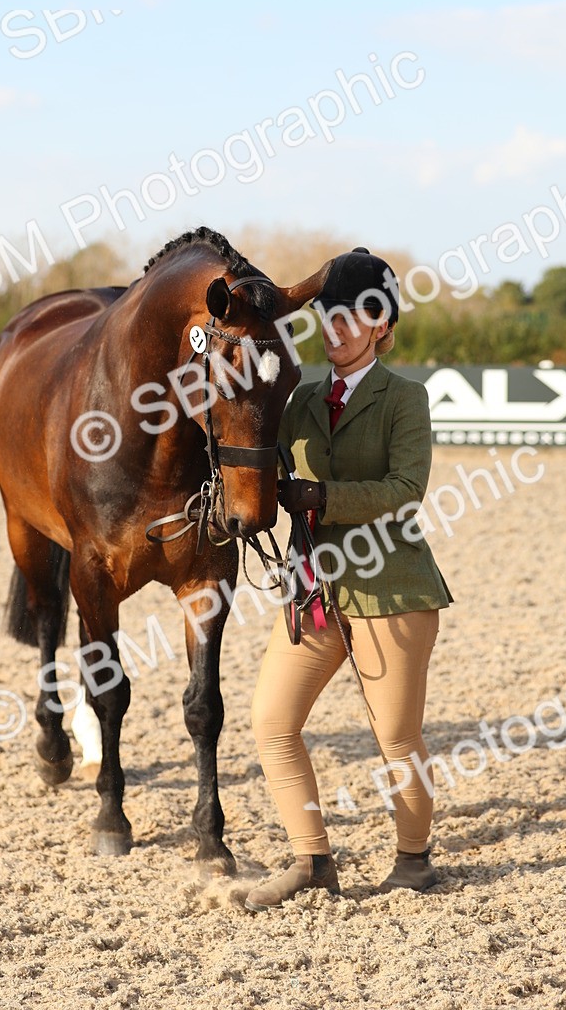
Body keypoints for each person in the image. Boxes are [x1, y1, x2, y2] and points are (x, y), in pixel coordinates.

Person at [245, 247, 453, 912]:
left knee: (396, 737)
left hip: (391, 589)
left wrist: (323, 497)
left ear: (380, 325)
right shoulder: (301, 401)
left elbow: (405, 489)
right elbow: (255, 448)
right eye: (327, 317)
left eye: (349, 319)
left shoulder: (405, 399)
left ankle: (414, 860)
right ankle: (313, 862)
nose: (333, 330)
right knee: (272, 720)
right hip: (315, 588)